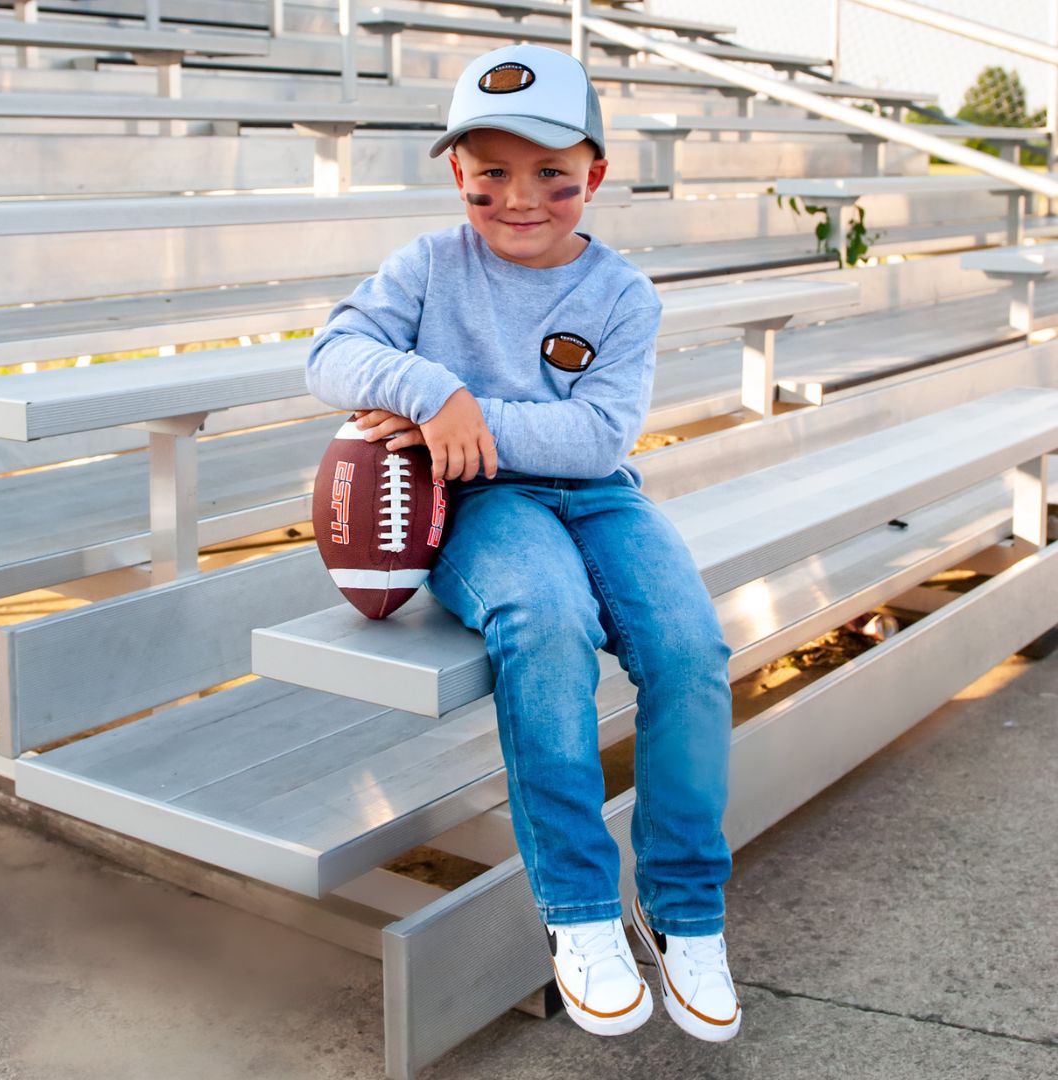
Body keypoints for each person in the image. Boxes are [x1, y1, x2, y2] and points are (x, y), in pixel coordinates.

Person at [306, 43, 740, 1043]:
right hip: (483, 506)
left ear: (595, 170)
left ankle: (684, 910)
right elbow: (332, 354)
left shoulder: (623, 293)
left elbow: (597, 439)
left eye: (551, 171)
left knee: (689, 652)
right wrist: (434, 396)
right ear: (456, 171)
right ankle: (581, 910)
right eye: (490, 171)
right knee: (545, 624)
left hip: (600, 498)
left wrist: (470, 423)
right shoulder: (426, 266)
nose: (521, 197)